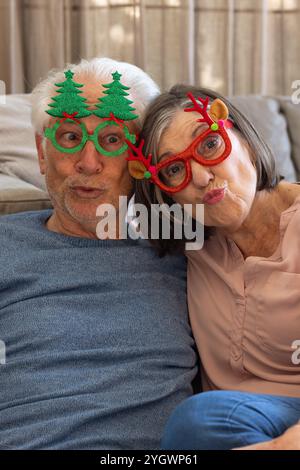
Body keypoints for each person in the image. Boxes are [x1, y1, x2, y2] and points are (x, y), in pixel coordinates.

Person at [0, 62, 198, 450]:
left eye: (112, 141)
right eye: (70, 136)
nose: (88, 163)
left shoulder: (187, 244)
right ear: (43, 153)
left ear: (143, 159)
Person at [131, 84, 300, 450]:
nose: (201, 177)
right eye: (174, 169)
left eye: (209, 145)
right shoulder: (187, 247)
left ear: (247, 141)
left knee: (203, 418)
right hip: (226, 430)